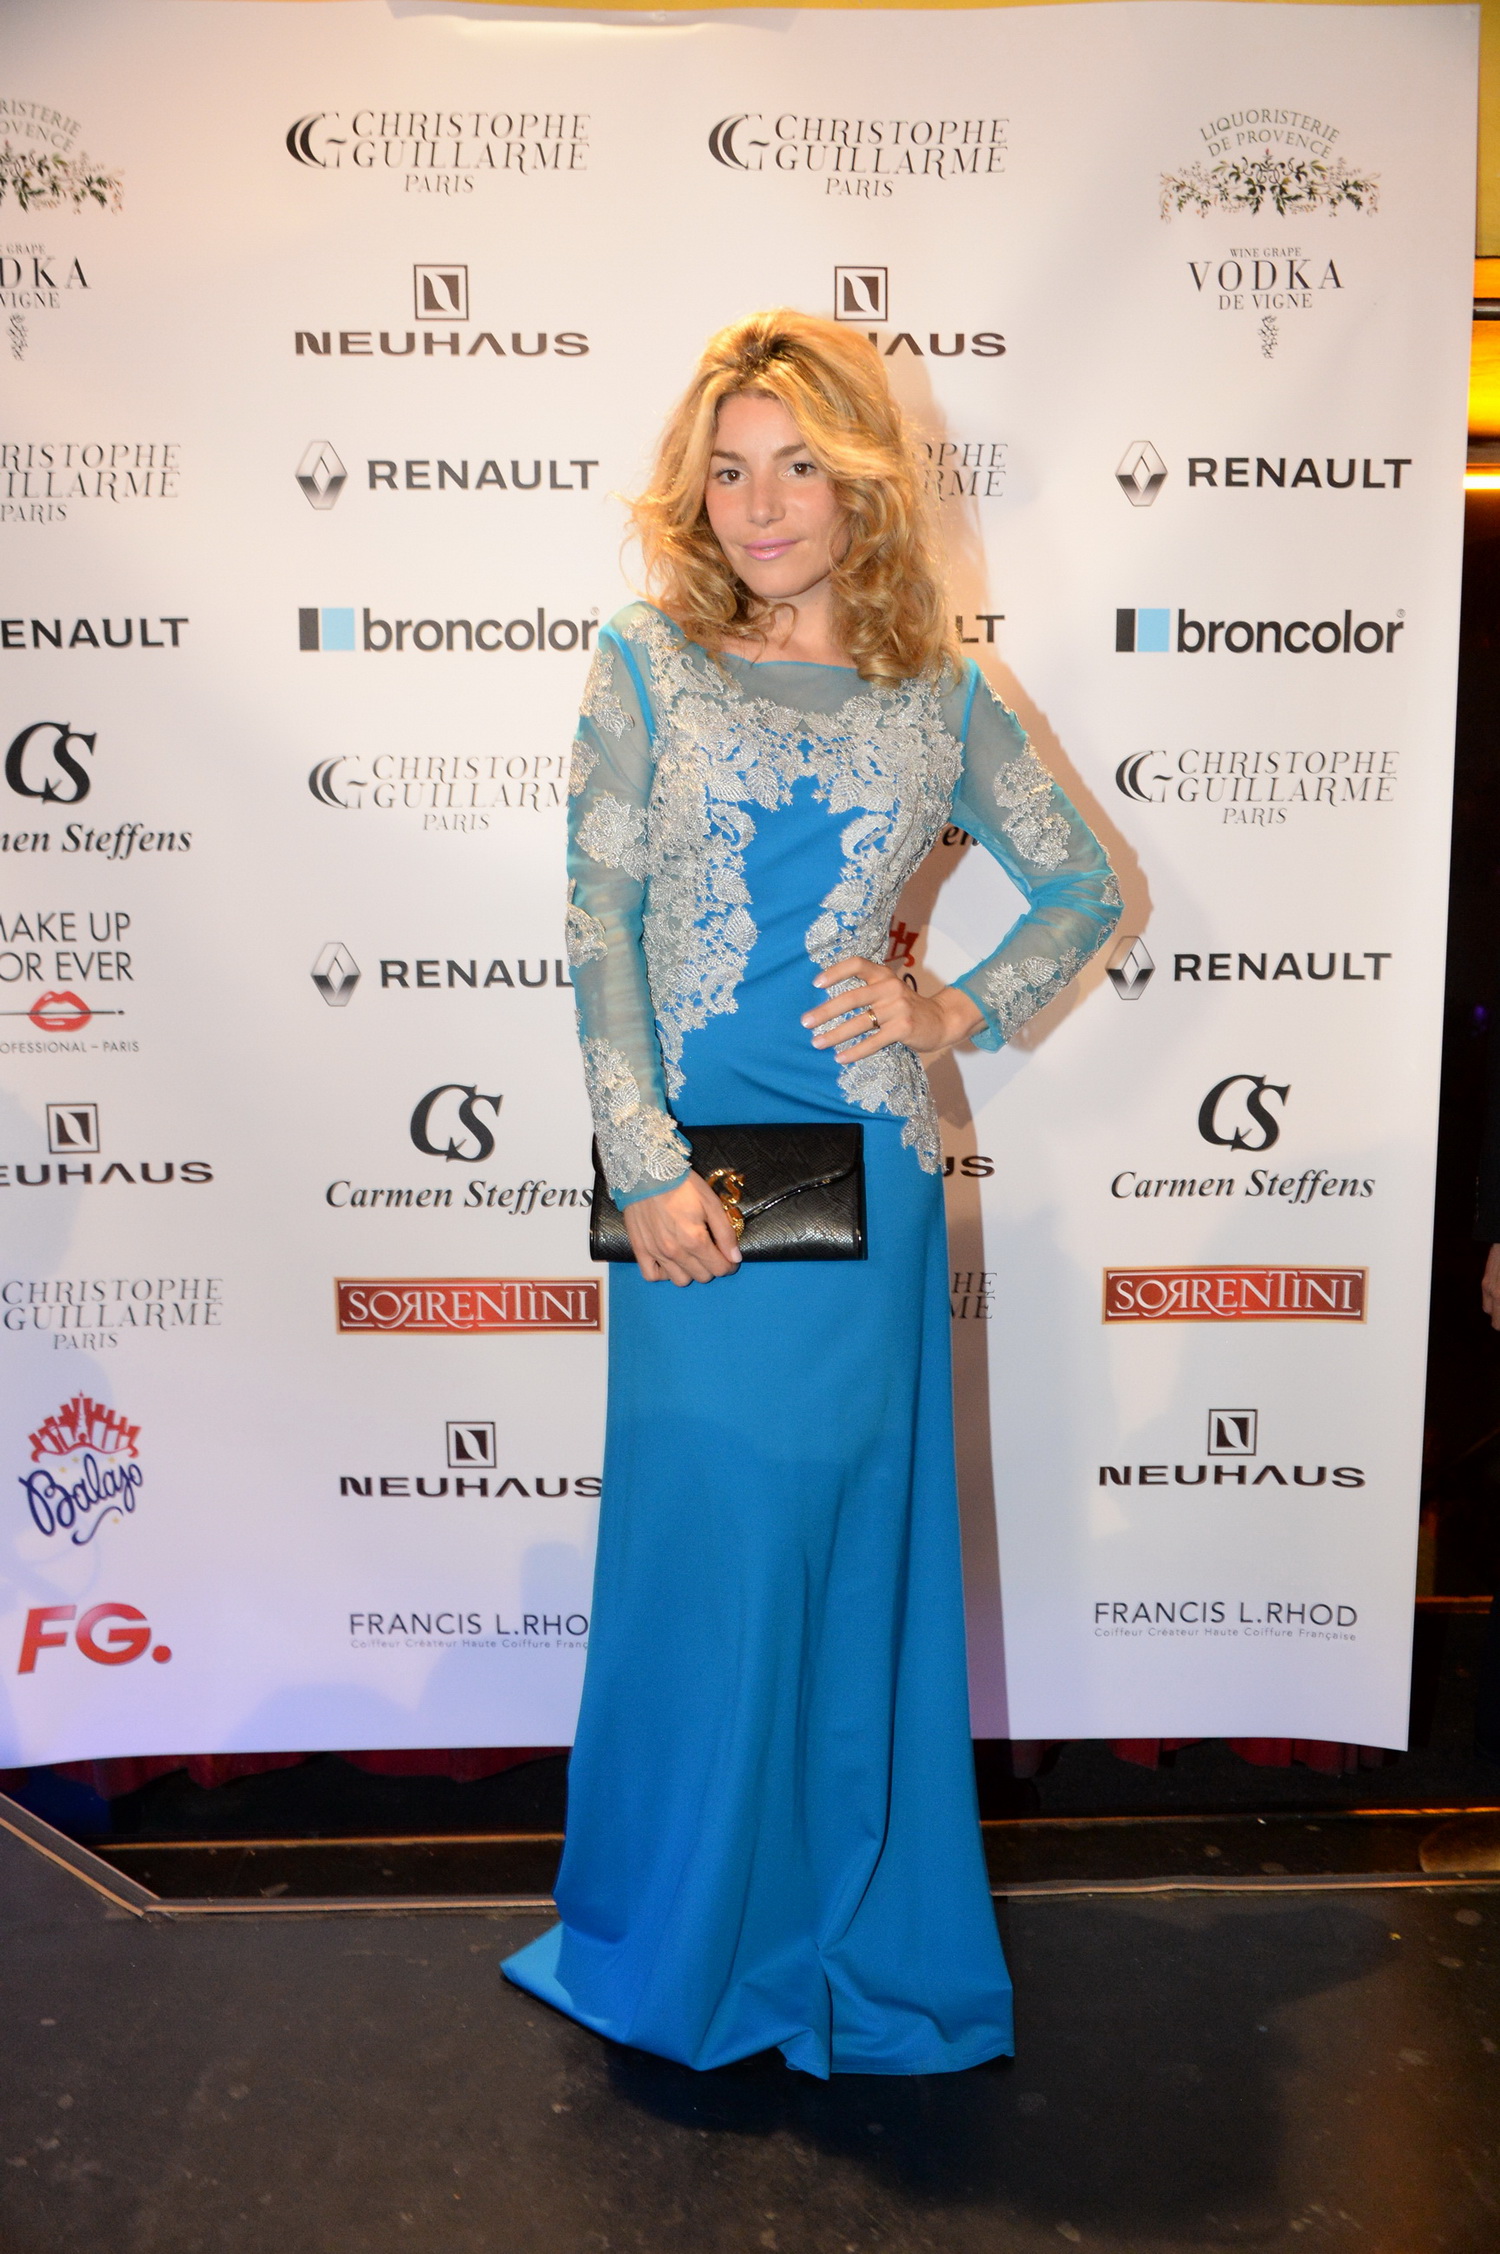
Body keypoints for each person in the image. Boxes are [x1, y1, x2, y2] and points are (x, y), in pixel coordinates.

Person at [503, 310, 1121, 2074]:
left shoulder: (947, 694)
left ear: (863, 487)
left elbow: (1085, 887)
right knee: (708, 1555)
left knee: (844, 1566)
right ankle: (684, 1932)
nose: (762, 504)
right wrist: (644, 1162)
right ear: (694, 491)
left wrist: (955, 1007)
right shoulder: (643, 659)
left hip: (867, 1190)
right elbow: (599, 927)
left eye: (797, 467)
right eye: (729, 469)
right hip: (692, 1189)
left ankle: (844, 1938)